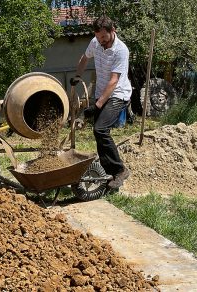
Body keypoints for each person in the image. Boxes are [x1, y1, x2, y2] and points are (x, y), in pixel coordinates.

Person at [70, 15, 131, 189]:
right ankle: (109, 173)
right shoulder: (96, 43)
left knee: (100, 129)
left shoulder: (121, 50)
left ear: (113, 31)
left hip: (118, 94)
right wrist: (77, 76)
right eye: (98, 37)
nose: (101, 41)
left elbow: (113, 81)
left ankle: (120, 171)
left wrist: (96, 105)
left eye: (104, 37)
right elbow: (84, 57)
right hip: (102, 93)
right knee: (98, 135)